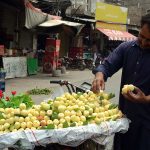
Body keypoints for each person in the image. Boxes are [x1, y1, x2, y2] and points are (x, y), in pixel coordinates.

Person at [91, 13, 150, 150]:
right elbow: (107, 65)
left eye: (149, 40)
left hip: (147, 126)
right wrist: (100, 75)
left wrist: (146, 99)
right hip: (124, 121)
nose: (144, 42)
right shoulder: (127, 48)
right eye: (142, 36)